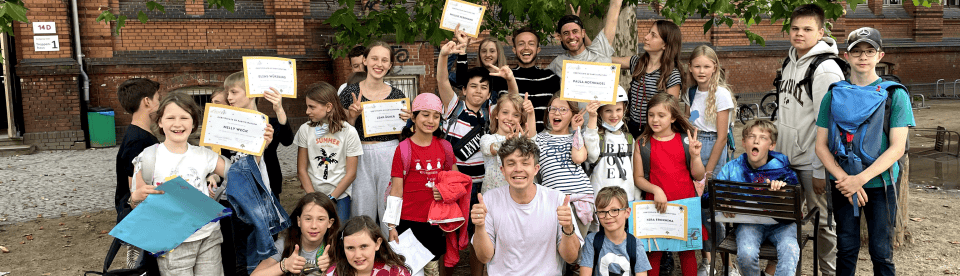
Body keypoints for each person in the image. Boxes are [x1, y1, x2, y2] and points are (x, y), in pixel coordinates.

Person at [129, 92, 273, 275]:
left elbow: (242, 176)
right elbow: (137, 206)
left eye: (184, 117)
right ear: (160, 122)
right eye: (170, 117)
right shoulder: (148, 158)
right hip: (173, 243)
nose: (177, 123)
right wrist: (134, 198)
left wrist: (259, 147)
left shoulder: (205, 155)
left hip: (209, 238)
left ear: (193, 123)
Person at [815, 27, 913, 276]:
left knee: (881, 252)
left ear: (880, 56)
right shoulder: (833, 95)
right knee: (846, 248)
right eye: (857, 51)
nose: (863, 57)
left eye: (869, 51)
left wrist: (860, 179)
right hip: (843, 184)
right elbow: (821, 145)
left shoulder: (895, 95)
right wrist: (846, 180)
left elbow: (897, 148)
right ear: (846, 56)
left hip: (881, 184)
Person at [775, 5, 844, 275]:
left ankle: (829, 272)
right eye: (795, 28)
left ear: (821, 32)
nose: (799, 34)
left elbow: (828, 124)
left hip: (811, 163)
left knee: (823, 224)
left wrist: (819, 169)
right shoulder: (789, 61)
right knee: (785, 222)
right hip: (786, 161)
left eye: (807, 29)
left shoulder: (825, 68)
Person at [471, 137, 581, 276]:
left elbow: (570, 257)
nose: (518, 169)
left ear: (535, 169)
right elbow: (484, 257)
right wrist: (479, 226)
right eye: (511, 164)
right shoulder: (489, 200)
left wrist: (568, 228)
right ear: (503, 170)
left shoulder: (557, 199)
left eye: (525, 163)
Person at [340, 41, 412, 235]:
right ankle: (362, 252)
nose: (378, 64)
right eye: (374, 58)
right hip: (359, 154)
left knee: (390, 205)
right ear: (364, 60)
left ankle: (390, 255)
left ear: (390, 65)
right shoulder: (350, 91)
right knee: (362, 208)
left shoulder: (397, 95)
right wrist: (352, 116)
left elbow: (403, 135)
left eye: (384, 60)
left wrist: (406, 122)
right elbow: (340, 131)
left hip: (390, 152)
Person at [714, 120, 801, 276]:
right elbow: (708, 197)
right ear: (744, 143)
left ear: (771, 145)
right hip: (749, 224)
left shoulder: (782, 169)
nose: (756, 140)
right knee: (746, 254)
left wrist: (782, 194)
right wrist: (723, 201)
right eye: (751, 136)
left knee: (791, 250)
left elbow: (794, 199)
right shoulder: (732, 168)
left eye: (762, 137)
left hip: (782, 226)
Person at [385, 93, 458, 276]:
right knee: (410, 270)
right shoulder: (403, 149)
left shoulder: (445, 147)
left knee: (432, 270)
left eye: (436, 116)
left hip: (436, 222)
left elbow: (455, 182)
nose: (430, 120)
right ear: (413, 117)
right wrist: (392, 226)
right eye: (425, 114)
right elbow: (396, 190)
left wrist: (445, 192)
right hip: (408, 222)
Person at [632, 93, 704, 276]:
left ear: (673, 117)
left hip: (684, 206)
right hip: (656, 206)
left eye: (661, 115)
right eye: (651, 115)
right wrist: (656, 190)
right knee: (654, 253)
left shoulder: (686, 141)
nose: (654, 120)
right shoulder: (642, 144)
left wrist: (695, 156)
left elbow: (699, 175)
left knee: (687, 253)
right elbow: (638, 178)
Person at [683, 45, 738, 276]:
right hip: (693, 146)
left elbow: (722, 136)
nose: (701, 70)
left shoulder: (721, 94)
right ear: (690, 67)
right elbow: (688, 122)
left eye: (706, 66)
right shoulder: (691, 92)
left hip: (714, 147)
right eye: (697, 66)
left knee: (717, 208)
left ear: (715, 67)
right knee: (699, 208)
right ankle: (707, 260)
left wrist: (708, 171)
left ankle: (726, 262)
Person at [295, 82, 363, 223]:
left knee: (337, 235)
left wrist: (332, 198)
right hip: (312, 194)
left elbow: (351, 173)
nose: (307, 111)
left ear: (328, 107)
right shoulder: (305, 129)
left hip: (340, 197)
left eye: (312, 107)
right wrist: (313, 198)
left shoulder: (348, 132)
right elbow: (301, 169)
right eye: (307, 106)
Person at [114, 78, 162, 270]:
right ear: (147, 102)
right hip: (141, 218)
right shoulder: (139, 141)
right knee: (144, 267)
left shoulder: (139, 135)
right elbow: (136, 187)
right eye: (158, 98)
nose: (160, 102)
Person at [223, 71, 295, 197]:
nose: (229, 97)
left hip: (268, 189)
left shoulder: (268, 123)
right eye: (227, 93)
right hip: (239, 188)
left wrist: (279, 109)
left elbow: (287, 140)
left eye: (234, 92)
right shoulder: (227, 124)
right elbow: (225, 157)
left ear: (251, 93)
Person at [537, 94, 599, 236]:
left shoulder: (576, 137)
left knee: (575, 251)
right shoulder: (540, 138)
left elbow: (578, 157)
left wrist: (576, 129)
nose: (557, 113)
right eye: (553, 109)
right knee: (556, 249)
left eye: (563, 109)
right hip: (554, 202)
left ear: (573, 114)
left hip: (580, 199)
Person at [611, 20, 684, 138]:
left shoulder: (671, 74)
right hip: (631, 127)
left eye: (653, 35)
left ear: (665, 44)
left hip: (654, 131)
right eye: (649, 32)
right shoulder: (637, 63)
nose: (646, 37)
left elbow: (671, 111)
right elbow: (604, 59)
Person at [251, 192, 340, 276]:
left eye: (321, 219)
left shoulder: (339, 244)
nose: (314, 226)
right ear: (299, 221)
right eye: (308, 219)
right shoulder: (285, 243)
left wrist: (333, 267)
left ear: (330, 222)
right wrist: (284, 265)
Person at [579, 186, 652, 276]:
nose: (608, 216)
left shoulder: (636, 245)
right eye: (602, 211)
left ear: (627, 212)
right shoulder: (591, 241)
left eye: (614, 210)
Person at [585, 86, 641, 200]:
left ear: (624, 109)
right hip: (601, 202)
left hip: (626, 201)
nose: (614, 115)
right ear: (600, 112)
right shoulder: (596, 137)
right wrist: (592, 118)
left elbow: (634, 173)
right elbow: (592, 156)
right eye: (608, 110)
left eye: (618, 110)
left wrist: (637, 199)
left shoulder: (629, 139)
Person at [546, 0, 623, 76]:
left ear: (583, 33)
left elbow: (615, 6)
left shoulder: (600, 52)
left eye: (575, 31)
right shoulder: (557, 64)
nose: (571, 37)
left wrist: (577, 22)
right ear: (560, 37)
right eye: (566, 33)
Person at [480, 93, 536, 193]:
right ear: (496, 114)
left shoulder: (521, 138)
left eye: (516, 115)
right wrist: (508, 142)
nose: (510, 118)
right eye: (505, 112)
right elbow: (491, 149)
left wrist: (531, 113)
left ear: (520, 119)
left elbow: (532, 138)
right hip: (493, 196)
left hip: (519, 196)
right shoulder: (487, 138)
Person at [509, 26, 561, 132]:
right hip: (512, 142)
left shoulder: (551, 78)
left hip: (544, 143)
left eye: (531, 44)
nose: (526, 47)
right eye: (521, 44)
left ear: (538, 49)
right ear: (514, 50)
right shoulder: (504, 78)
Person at [326, 216, 412, 276]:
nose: (358, 255)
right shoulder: (334, 272)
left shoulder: (396, 273)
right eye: (350, 248)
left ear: (377, 244)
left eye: (363, 246)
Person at [450, 28, 509, 99]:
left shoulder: (507, 78)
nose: (487, 54)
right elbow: (445, 75)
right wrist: (461, 49)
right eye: (484, 51)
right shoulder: (472, 76)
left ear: (498, 53)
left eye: (492, 51)